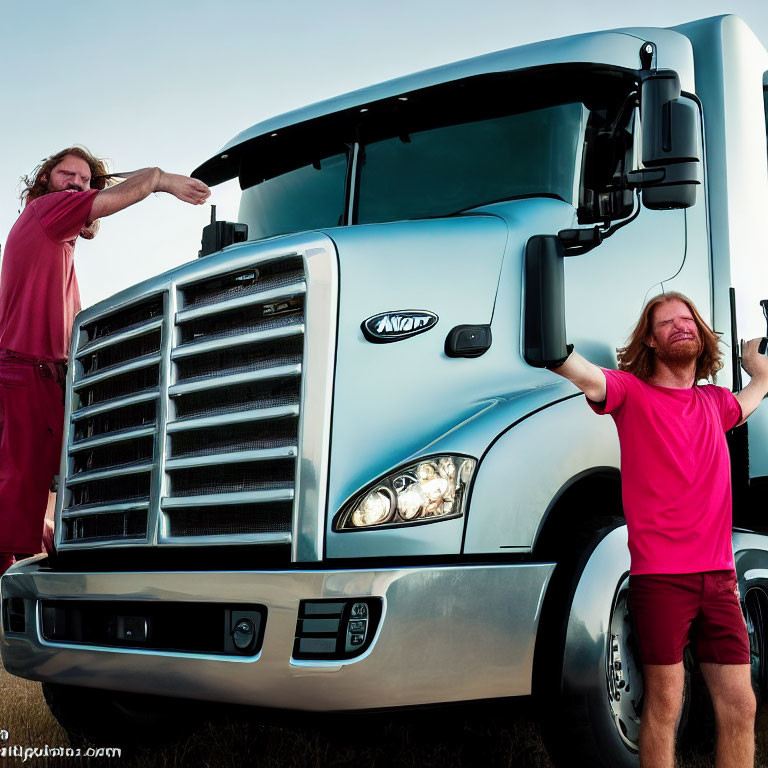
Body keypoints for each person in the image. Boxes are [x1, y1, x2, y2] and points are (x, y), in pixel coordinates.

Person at [548, 291, 768, 768]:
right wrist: (552, 349)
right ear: (651, 338)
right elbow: (583, 375)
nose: (680, 326)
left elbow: (747, 401)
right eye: (667, 322)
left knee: (740, 705)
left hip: (720, 580)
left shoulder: (714, 402)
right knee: (665, 705)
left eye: (687, 319)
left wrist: (763, 373)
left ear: (701, 331)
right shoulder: (631, 393)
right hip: (662, 580)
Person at [0, 147, 210, 575]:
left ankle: (51, 544)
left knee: (62, 488)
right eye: (66, 174)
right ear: (45, 180)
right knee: (14, 500)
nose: (75, 183)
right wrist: (157, 178)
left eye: (83, 179)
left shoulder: (54, 238)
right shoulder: (46, 211)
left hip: (44, 379)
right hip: (25, 373)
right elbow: (106, 204)